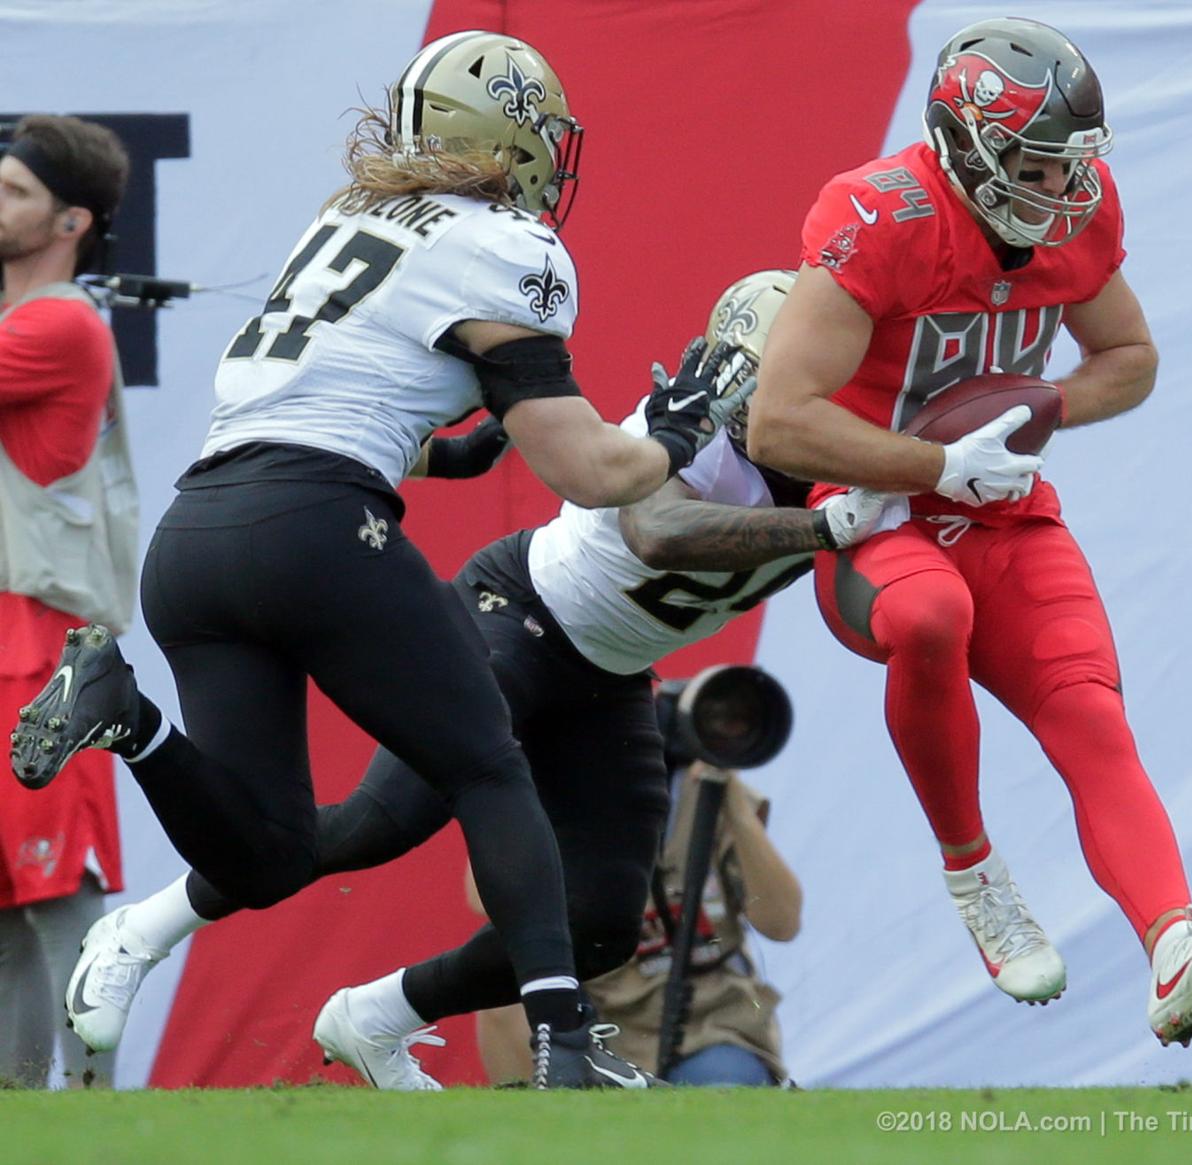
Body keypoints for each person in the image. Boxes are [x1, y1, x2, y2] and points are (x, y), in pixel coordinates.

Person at [9, 31, 749, 1091]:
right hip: (315, 529)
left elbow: (327, 404)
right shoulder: (509, 247)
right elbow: (593, 469)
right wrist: (677, 435)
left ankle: (130, 718)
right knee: (486, 761)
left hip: (201, 539)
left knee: (263, 854)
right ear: (501, 134)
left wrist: (455, 447)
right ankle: (562, 1039)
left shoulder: (348, 217)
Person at [51, 268, 908, 1089]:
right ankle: (143, 931)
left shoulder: (839, 460)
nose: (819, 392)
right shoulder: (686, 423)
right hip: (521, 611)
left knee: (603, 924)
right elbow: (656, 530)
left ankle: (377, 1014)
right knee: (378, 824)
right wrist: (825, 527)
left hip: (611, 673)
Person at [746, 16, 1192, 1047]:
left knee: (1090, 713)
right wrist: (937, 461)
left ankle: (1175, 949)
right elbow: (782, 417)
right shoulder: (883, 214)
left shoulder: (1073, 218)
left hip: (1006, 513)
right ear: (964, 148)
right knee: (931, 613)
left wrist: (1035, 411)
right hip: (875, 519)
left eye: (1070, 165)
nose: (1061, 191)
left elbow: (1127, 355)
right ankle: (973, 870)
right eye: (1037, 166)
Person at [0, 115, 136, 1088]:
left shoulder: (56, 323)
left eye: (13, 191)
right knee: (14, 898)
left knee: (54, 886)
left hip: (34, 635)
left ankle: (94, 1110)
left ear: (70, 220)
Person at [472, 756, 800, 1088]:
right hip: (599, 1027)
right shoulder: (565, 791)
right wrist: (533, 786)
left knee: (722, 1096)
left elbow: (783, 923)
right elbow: (480, 897)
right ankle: (541, 1125)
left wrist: (735, 806)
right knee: (505, 989)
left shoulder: (706, 789)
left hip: (710, 1029)